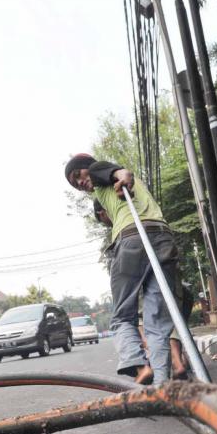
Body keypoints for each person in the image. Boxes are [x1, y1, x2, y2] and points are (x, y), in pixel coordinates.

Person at [65, 153, 178, 385]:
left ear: (87, 167)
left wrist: (123, 176)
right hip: (163, 236)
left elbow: (116, 172)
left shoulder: (97, 170)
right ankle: (161, 385)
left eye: (78, 175)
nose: (79, 182)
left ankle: (138, 365)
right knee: (156, 320)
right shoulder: (104, 191)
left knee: (122, 317)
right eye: (74, 184)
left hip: (132, 238)